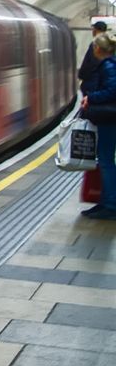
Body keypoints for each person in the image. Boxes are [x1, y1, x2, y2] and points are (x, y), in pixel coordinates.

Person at [81, 31, 116, 219]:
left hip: (109, 119)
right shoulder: (109, 65)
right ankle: (105, 201)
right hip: (108, 119)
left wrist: (91, 97)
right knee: (105, 160)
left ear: (98, 49)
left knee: (106, 161)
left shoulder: (109, 66)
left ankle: (110, 205)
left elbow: (112, 90)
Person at [78, 20, 108, 94]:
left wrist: (81, 75)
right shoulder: (109, 44)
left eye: (94, 29)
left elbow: (90, 63)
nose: (93, 31)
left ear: (96, 30)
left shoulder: (96, 45)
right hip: (103, 83)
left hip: (93, 83)